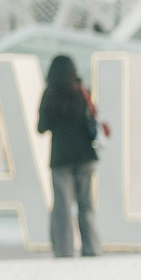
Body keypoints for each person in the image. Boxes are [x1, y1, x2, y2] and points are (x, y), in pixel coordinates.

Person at [35, 54, 106, 258]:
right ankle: (91, 248)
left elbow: (41, 127)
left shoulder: (49, 95)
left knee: (62, 209)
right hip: (85, 156)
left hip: (60, 158)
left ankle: (63, 251)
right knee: (86, 205)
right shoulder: (83, 92)